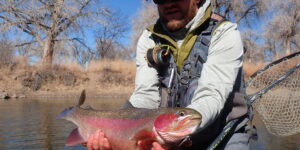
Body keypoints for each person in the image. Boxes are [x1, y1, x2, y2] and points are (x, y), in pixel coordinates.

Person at [85, 0, 254, 149]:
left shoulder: (225, 32)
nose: (168, 3)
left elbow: (211, 95)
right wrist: (124, 133)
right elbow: (145, 96)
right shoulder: (149, 38)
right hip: (166, 133)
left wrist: (177, 135)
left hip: (224, 133)